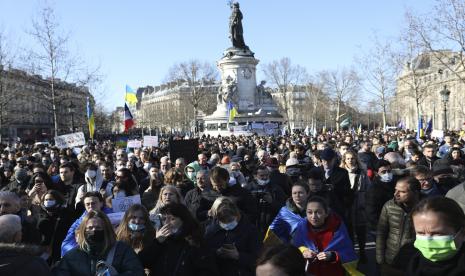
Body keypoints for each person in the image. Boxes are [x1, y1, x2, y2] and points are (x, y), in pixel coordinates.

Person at [54, 210, 144, 276]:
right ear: (84, 231)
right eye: (90, 228)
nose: (94, 230)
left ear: (106, 229)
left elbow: (136, 272)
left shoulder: (122, 250)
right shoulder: (72, 256)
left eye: (98, 227)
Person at [139, 203, 219, 276]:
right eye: (164, 219)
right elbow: (141, 262)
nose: (166, 223)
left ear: (183, 220)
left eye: (172, 219)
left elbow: (207, 270)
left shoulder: (195, 242)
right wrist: (157, 242)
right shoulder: (160, 241)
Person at [292, 196, 359, 276]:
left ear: (326, 213)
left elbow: (349, 253)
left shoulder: (337, 226)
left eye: (318, 212)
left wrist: (333, 256)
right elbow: (295, 248)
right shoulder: (302, 226)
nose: (313, 216)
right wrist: (304, 251)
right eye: (309, 212)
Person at [407, 197, 465, 275]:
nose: (427, 241)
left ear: (462, 233)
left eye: (436, 233)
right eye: (421, 233)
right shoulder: (406, 258)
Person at [376, 176, 420, 274]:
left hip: (415, 262)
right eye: (396, 190)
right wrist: (380, 261)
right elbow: (381, 234)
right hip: (391, 260)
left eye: (402, 191)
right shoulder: (389, 206)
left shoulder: (425, 208)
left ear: (415, 193)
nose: (396, 194)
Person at [204, 198, 260, 276]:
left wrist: (238, 256)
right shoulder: (210, 229)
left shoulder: (250, 230)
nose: (227, 225)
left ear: (237, 216)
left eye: (230, 221)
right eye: (223, 222)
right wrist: (216, 252)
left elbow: (257, 259)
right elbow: (203, 252)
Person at [340, 150, 371, 261]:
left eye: (352, 158)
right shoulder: (341, 172)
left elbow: (368, 188)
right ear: (344, 160)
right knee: (348, 230)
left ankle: (362, 251)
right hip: (347, 204)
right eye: (348, 158)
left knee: (361, 229)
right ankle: (352, 251)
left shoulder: (362, 172)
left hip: (360, 204)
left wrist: (366, 202)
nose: (350, 161)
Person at [61, 191, 113, 256]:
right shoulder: (78, 223)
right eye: (87, 204)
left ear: (101, 203)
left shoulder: (115, 217)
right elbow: (66, 244)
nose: (91, 206)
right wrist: (79, 252)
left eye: (93, 203)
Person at [37, 189, 74, 265]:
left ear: (57, 200)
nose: (48, 201)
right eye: (46, 199)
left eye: (51, 199)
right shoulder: (40, 213)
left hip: (59, 251)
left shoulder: (65, 214)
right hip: (41, 251)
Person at [248, 166, 286, 234]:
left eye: (267, 175)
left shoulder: (276, 188)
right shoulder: (248, 189)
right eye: (262, 175)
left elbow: (284, 208)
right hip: (253, 227)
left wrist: (272, 202)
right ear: (255, 176)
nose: (265, 178)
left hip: (272, 227)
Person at [366, 159, 396, 234]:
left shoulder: (395, 184)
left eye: (389, 171)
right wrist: (379, 228)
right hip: (379, 227)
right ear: (376, 173)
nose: (387, 174)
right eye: (383, 172)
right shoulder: (373, 189)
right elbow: (371, 211)